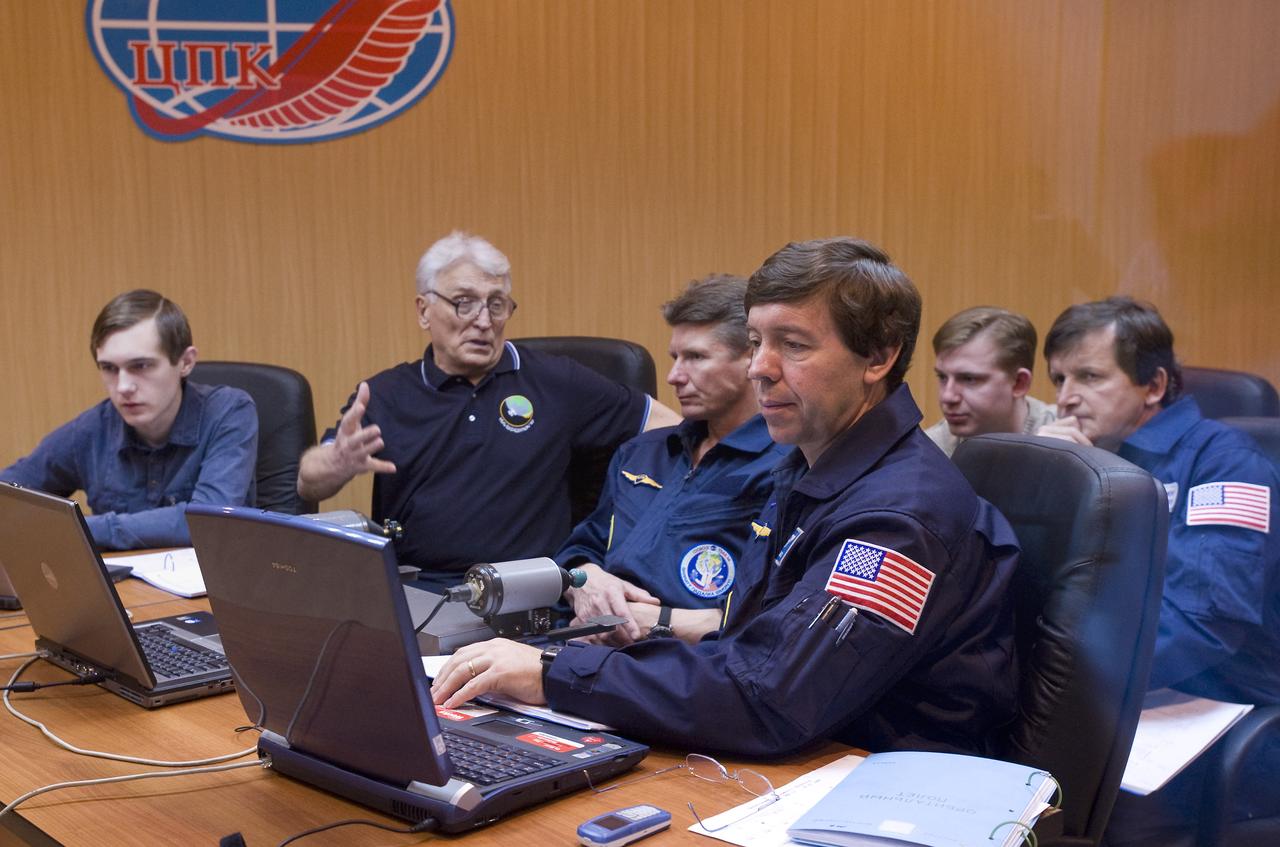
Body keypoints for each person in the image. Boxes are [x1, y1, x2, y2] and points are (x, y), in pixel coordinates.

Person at [432, 237, 1020, 759]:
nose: (760, 369)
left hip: (876, 783)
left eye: (791, 345)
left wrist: (554, 673)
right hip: (802, 751)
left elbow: (772, 697)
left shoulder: (898, 516)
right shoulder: (814, 465)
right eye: (757, 341)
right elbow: (751, 644)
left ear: (878, 357)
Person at [296, 231, 680, 592]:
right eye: (464, 302)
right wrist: (335, 463)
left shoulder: (558, 382)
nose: (483, 321)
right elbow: (309, 482)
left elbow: (669, 426)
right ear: (424, 311)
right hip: (419, 591)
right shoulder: (385, 394)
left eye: (496, 305)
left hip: (529, 592)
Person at [1036, 296, 1279, 846]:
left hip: (1228, 715)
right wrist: (1044, 480)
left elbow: (1206, 622)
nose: (1066, 398)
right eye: (1060, 378)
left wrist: (1065, 681)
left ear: (1153, 385)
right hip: (1115, 701)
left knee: (1079, 820)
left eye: (1090, 376)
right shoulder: (1087, 461)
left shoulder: (1226, 463)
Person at [557, 274, 788, 645]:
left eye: (695, 357)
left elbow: (770, 617)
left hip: (692, 662)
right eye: (675, 357)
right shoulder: (641, 452)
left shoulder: (786, 466)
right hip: (587, 642)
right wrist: (585, 580)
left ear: (751, 357)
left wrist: (657, 621)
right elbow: (581, 549)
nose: (674, 376)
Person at [0, 290, 257, 550]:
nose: (123, 387)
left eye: (141, 366)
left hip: (212, 587)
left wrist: (80, 528)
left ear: (186, 362)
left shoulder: (229, 411)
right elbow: (8, 496)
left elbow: (209, 523)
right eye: (109, 368)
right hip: (123, 588)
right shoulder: (92, 430)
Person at [924, 306, 1057, 457]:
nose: (947, 397)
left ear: (1019, 383)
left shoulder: (1070, 441)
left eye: (969, 379)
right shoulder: (926, 454)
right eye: (942, 377)